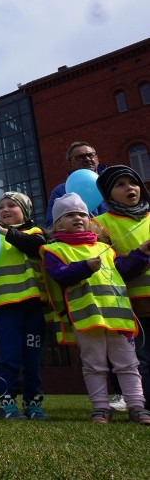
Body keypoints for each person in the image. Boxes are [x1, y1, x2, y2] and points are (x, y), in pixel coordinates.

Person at [40, 193, 150, 425]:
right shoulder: (54, 250)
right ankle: (100, 408)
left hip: (117, 317)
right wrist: (85, 267)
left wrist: (140, 253)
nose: (78, 218)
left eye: (82, 214)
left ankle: (137, 406)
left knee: (128, 364)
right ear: (58, 223)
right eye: (69, 215)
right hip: (86, 318)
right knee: (95, 365)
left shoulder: (105, 248)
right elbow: (59, 275)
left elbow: (124, 270)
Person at [0, 192, 50, 419]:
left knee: (32, 358)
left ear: (25, 211)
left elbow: (36, 247)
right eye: (0, 206)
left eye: (11, 205)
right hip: (6, 307)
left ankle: (33, 402)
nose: (4, 209)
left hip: (33, 307)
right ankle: (7, 402)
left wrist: (6, 233)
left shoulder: (37, 233)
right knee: (9, 357)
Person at [94, 165, 150, 411]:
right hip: (132, 305)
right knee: (142, 358)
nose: (130, 188)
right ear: (108, 194)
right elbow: (108, 266)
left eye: (133, 182)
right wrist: (139, 254)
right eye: (120, 184)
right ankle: (144, 403)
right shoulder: (100, 224)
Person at [45, 141, 107, 228]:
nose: (87, 159)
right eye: (80, 157)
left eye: (90, 155)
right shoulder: (62, 191)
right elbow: (52, 223)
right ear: (70, 163)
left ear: (97, 158)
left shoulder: (112, 184)